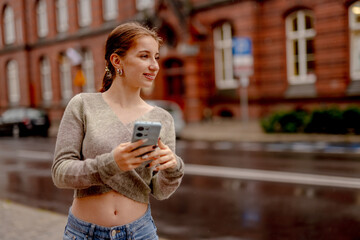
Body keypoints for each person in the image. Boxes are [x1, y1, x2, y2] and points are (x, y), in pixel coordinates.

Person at [51, 22, 184, 240]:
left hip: (140, 233)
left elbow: (160, 191)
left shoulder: (162, 118)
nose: (154, 66)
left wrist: (173, 167)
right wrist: (112, 163)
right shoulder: (83, 105)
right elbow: (60, 173)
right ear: (116, 60)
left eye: (156, 57)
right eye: (144, 56)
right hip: (85, 234)